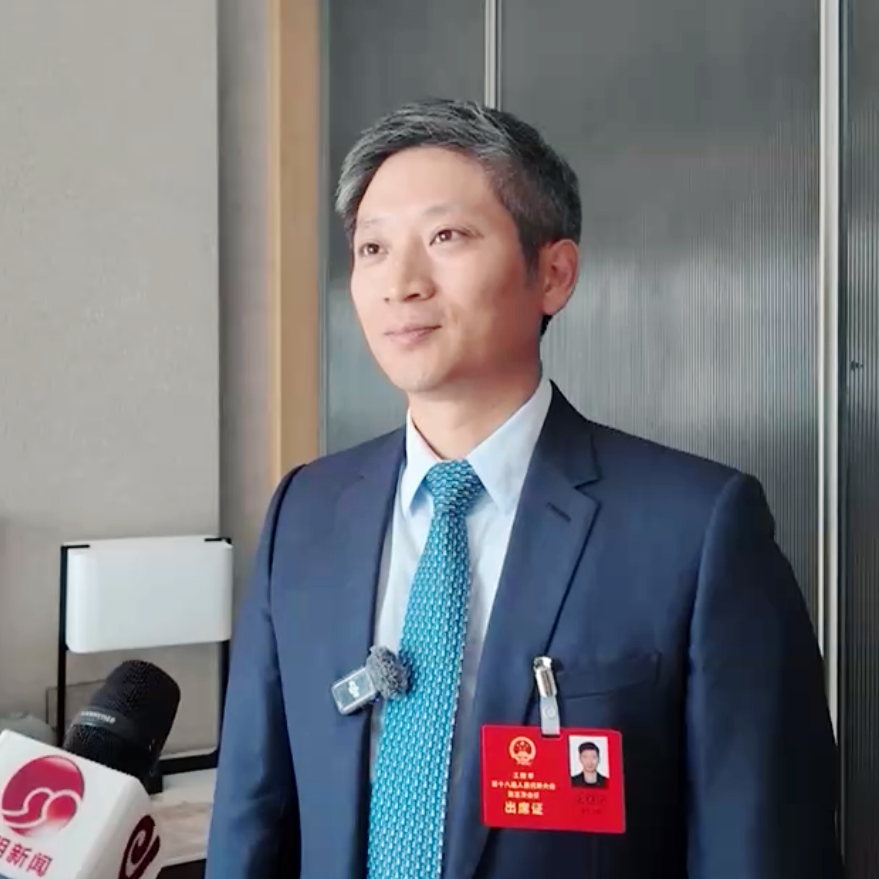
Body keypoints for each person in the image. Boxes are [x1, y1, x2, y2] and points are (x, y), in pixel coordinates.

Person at [205, 98, 842, 878]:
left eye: (446, 237)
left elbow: (760, 846)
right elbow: (251, 816)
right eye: (372, 247)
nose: (400, 282)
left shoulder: (695, 529)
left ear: (553, 273)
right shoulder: (305, 511)